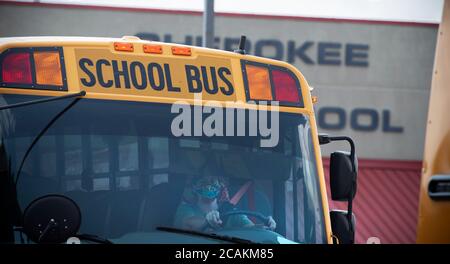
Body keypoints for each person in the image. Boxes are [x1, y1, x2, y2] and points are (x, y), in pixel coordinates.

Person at [173, 174, 276, 232]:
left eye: (214, 181)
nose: (209, 186)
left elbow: (251, 229)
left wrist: (265, 225)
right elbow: (187, 224)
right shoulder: (185, 209)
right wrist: (207, 221)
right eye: (203, 182)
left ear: (221, 186)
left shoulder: (231, 212)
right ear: (194, 187)